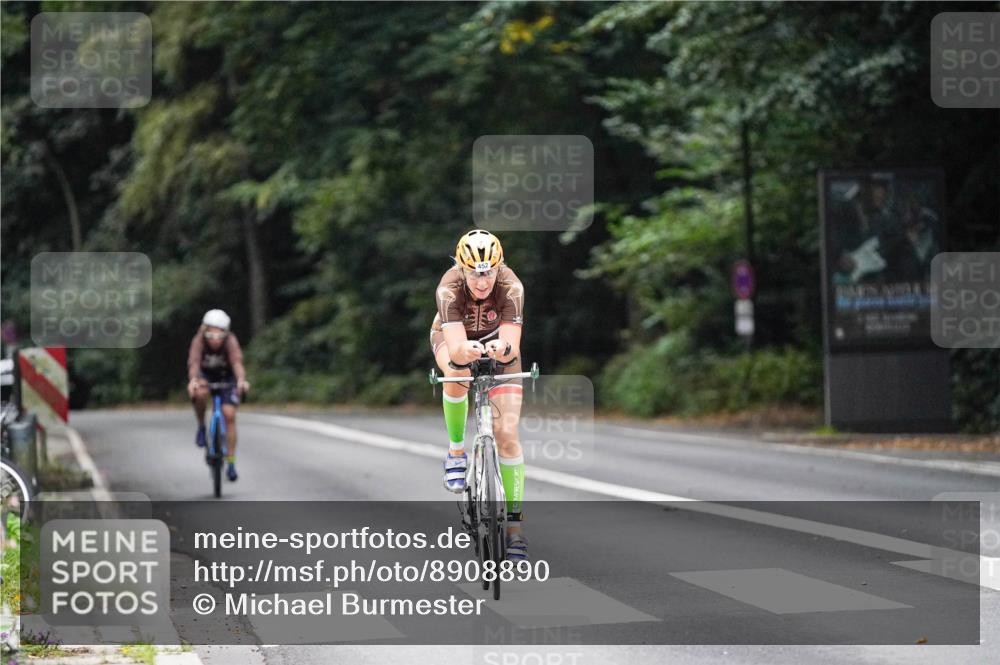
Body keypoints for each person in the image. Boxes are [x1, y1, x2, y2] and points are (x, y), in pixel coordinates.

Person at [430, 229, 528, 561]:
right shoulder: (448, 288)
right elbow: (456, 350)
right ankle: (456, 452)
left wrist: (502, 348)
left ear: (499, 266)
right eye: (474, 272)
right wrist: (464, 351)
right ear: (461, 267)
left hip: (498, 344)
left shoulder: (512, 286)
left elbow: (512, 341)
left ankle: (514, 530)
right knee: (456, 371)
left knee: (507, 435)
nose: (482, 281)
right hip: (454, 340)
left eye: (489, 271)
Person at [186, 309, 250, 482]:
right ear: (204, 331)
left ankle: (230, 462)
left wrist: (241, 380)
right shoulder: (198, 341)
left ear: (225, 332)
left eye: (219, 335)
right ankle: (201, 426)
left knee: (229, 415)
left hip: (226, 377)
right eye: (210, 334)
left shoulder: (230, 341)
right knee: (199, 394)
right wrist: (193, 380)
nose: (214, 339)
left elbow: (236, 362)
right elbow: (194, 362)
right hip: (205, 375)